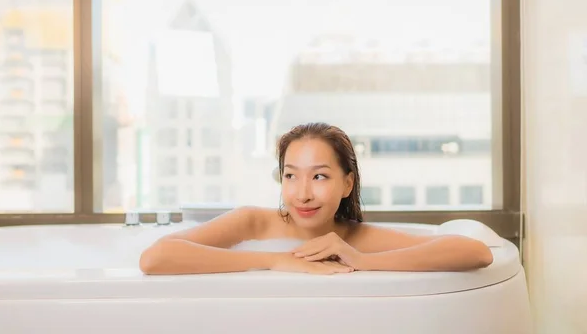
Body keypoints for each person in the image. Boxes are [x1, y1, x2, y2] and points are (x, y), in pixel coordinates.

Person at [139, 122, 494, 275]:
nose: (303, 193)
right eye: (291, 175)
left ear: (347, 183)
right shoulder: (252, 223)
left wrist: (363, 261)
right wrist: (276, 261)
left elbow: (475, 252)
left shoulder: (356, 238)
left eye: (320, 176)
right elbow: (155, 258)